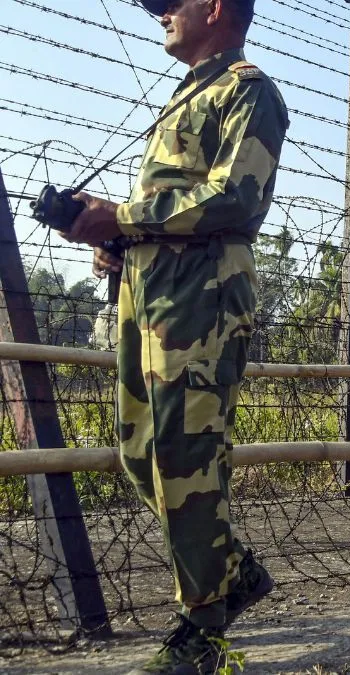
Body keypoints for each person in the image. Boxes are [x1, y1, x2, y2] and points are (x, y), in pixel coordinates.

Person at [62, 0, 288, 671]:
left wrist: (124, 215)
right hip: (150, 294)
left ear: (217, 8)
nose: (159, 13)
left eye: (171, 3)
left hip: (202, 297)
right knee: (141, 453)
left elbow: (236, 199)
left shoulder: (248, 91)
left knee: (186, 453)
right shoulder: (186, 95)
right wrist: (117, 242)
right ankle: (234, 569)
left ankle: (203, 626)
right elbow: (167, 209)